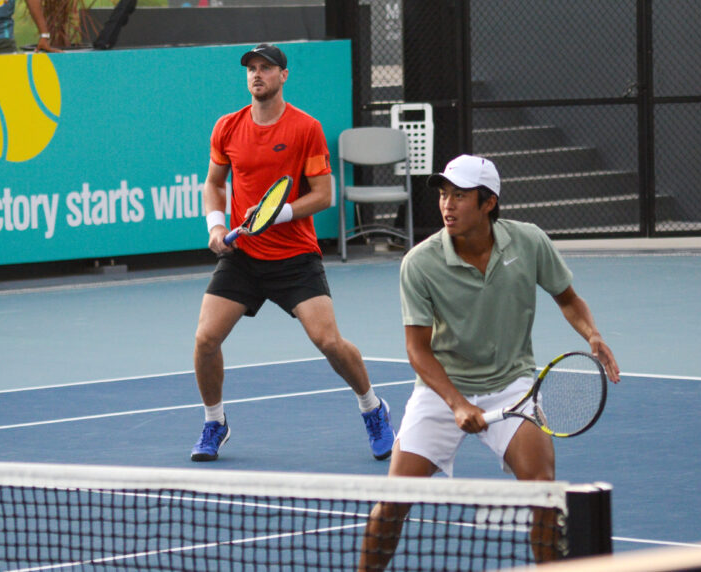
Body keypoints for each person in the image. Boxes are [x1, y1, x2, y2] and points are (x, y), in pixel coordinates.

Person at [358, 154, 621, 569]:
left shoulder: (529, 241)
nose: (447, 204)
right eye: (444, 194)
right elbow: (418, 350)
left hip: (512, 385)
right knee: (392, 503)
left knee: (543, 493)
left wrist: (592, 333)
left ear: (488, 203)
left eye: (460, 195)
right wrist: (457, 403)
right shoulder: (420, 263)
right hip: (442, 390)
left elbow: (568, 299)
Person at [191, 43, 396, 463]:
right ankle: (215, 422)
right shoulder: (227, 127)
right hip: (243, 255)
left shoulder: (306, 128)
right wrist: (215, 224)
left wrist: (279, 214)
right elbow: (214, 182)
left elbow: (324, 195)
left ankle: (373, 408)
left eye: (266, 68)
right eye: (251, 68)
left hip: (295, 256)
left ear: (284, 76)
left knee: (328, 341)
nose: (256, 74)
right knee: (205, 339)